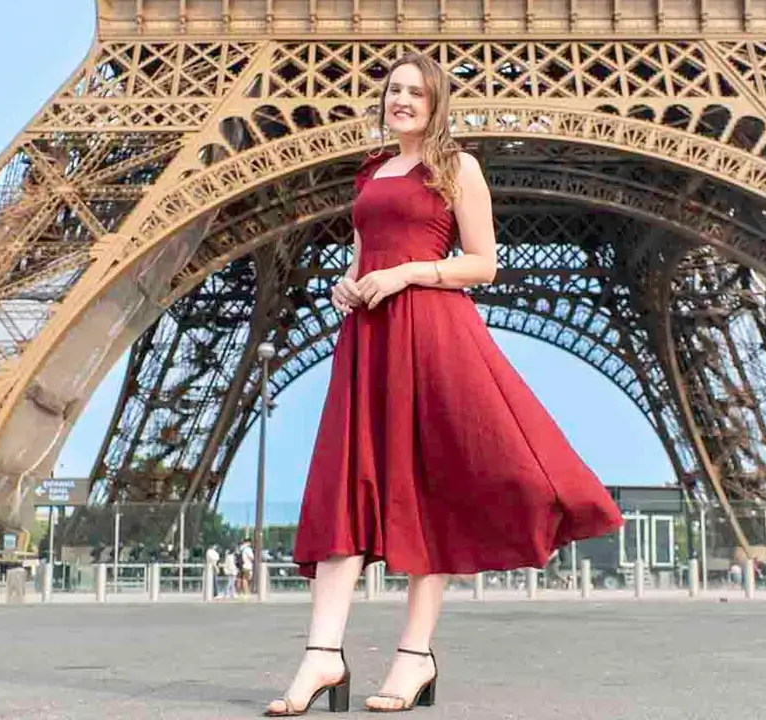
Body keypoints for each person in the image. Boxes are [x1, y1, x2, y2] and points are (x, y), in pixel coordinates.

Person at [264, 51, 624, 716]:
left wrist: (405, 274)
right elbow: (361, 252)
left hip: (430, 333)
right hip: (370, 338)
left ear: (436, 104)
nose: (401, 100)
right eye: (393, 89)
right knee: (348, 486)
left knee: (434, 489)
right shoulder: (372, 173)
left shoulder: (457, 167)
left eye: (415, 92)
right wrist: (349, 286)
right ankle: (321, 653)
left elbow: (483, 263)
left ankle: (414, 656)